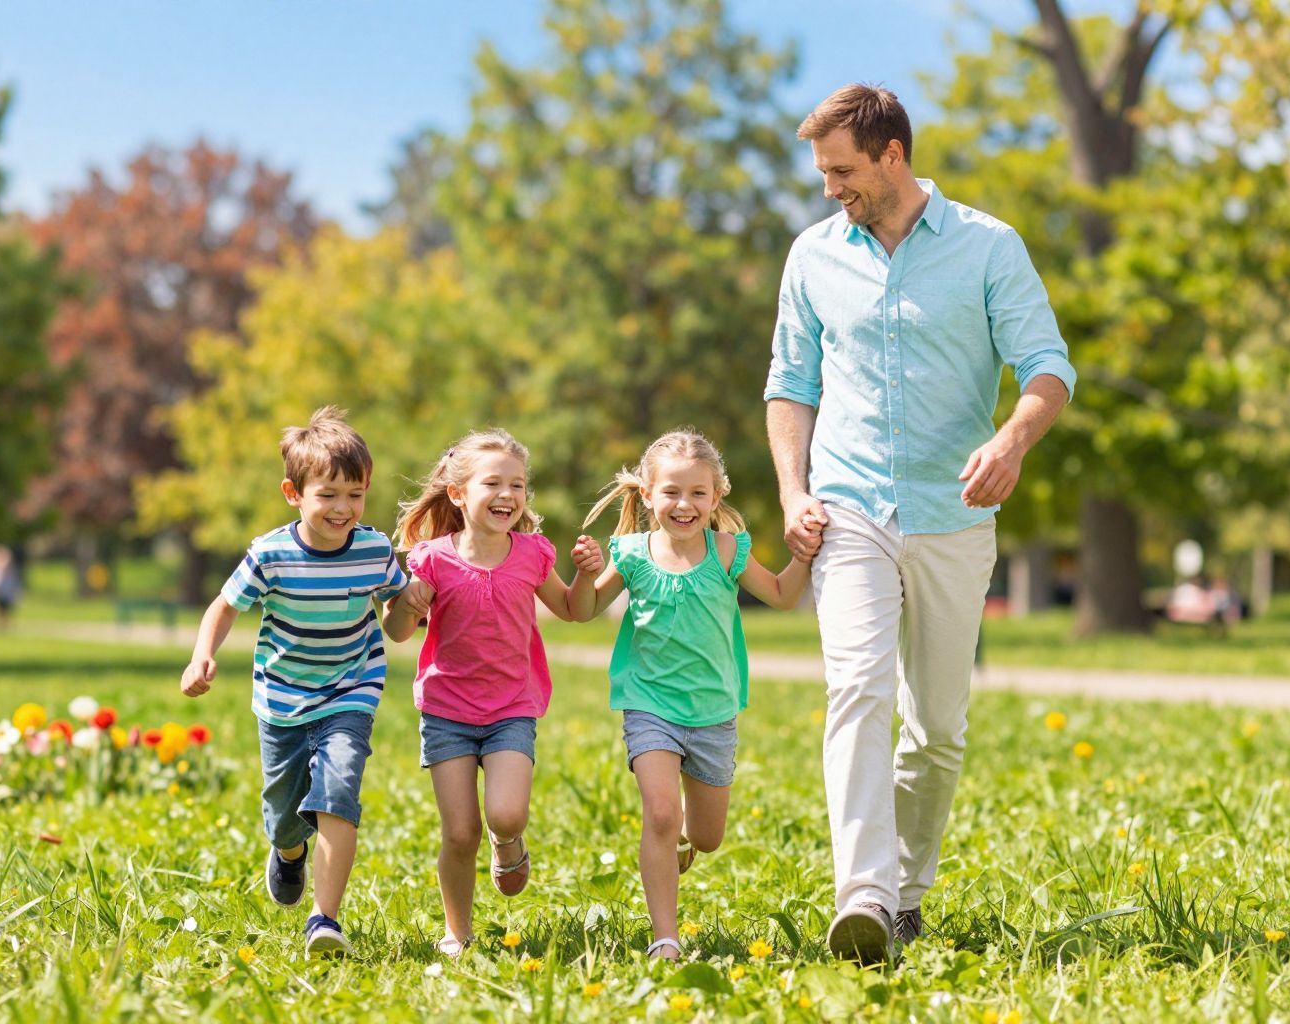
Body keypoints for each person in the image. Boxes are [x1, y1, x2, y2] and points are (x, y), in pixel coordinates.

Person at [764, 84, 1076, 963]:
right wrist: (794, 491)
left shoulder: (987, 246)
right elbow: (790, 385)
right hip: (850, 504)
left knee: (935, 730)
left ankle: (906, 890)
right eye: (822, 172)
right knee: (857, 689)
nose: (829, 189)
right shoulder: (813, 256)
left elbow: (1049, 367)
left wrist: (1013, 440)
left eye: (842, 171)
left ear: (892, 155)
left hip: (953, 510)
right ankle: (861, 895)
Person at [179, 406, 425, 958]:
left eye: (355, 494)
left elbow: (396, 628)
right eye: (328, 495)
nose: (344, 508)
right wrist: (201, 656)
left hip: (351, 690)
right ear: (294, 493)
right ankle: (288, 852)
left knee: (339, 790)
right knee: (284, 810)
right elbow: (222, 607)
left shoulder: (374, 551)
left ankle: (324, 919)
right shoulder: (271, 554)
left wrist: (409, 605)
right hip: (282, 697)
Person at [569, 430, 816, 960]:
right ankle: (665, 937)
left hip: (713, 713)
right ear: (648, 495)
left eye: (697, 493)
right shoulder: (631, 554)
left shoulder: (727, 549)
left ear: (716, 496)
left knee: (706, 836)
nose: (684, 505)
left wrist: (804, 554)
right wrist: (586, 575)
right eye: (672, 493)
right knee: (660, 815)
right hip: (649, 705)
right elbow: (584, 609)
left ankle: (685, 840)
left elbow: (782, 595)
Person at [387, 429, 593, 958]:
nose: (508, 495)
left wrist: (589, 575)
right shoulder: (432, 559)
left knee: (505, 814)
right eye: (494, 483)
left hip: (511, 709)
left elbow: (573, 608)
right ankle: (457, 932)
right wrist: (407, 602)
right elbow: (398, 631)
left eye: (518, 485)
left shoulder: (532, 554)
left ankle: (509, 844)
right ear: (458, 494)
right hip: (447, 711)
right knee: (459, 833)